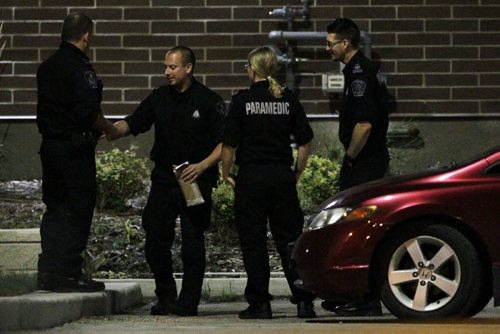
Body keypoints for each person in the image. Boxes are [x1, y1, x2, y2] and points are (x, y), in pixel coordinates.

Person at [110, 46, 226, 316]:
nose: (167, 72)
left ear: (188, 68)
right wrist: (109, 130)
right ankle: (166, 295)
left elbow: (225, 143)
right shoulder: (159, 97)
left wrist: (202, 166)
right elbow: (135, 121)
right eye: (166, 67)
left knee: (192, 241)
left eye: (172, 67)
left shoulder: (208, 101)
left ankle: (188, 302)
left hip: (194, 179)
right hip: (164, 177)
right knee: (154, 236)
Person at [221, 46, 316, 319]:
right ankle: (304, 301)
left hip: (251, 178)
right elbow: (305, 140)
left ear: (253, 69)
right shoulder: (289, 99)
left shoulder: (241, 101)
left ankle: (260, 303)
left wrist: (226, 173)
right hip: (281, 177)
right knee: (289, 240)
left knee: (254, 242)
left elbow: (228, 144)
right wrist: (296, 172)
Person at [36, 13, 119, 292]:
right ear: (86, 36)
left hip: (51, 147)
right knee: (78, 209)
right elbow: (87, 111)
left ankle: (49, 272)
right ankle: (70, 273)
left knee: (56, 208)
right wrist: (108, 127)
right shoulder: (80, 68)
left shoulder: (47, 67)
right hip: (75, 150)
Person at [324, 17, 390, 316]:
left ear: (345, 44)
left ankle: (364, 299)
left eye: (330, 44)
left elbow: (363, 125)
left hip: (364, 163)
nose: (328, 49)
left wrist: (350, 158)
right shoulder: (362, 71)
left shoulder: (360, 74)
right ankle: (356, 294)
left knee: (357, 228)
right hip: (369, 161)